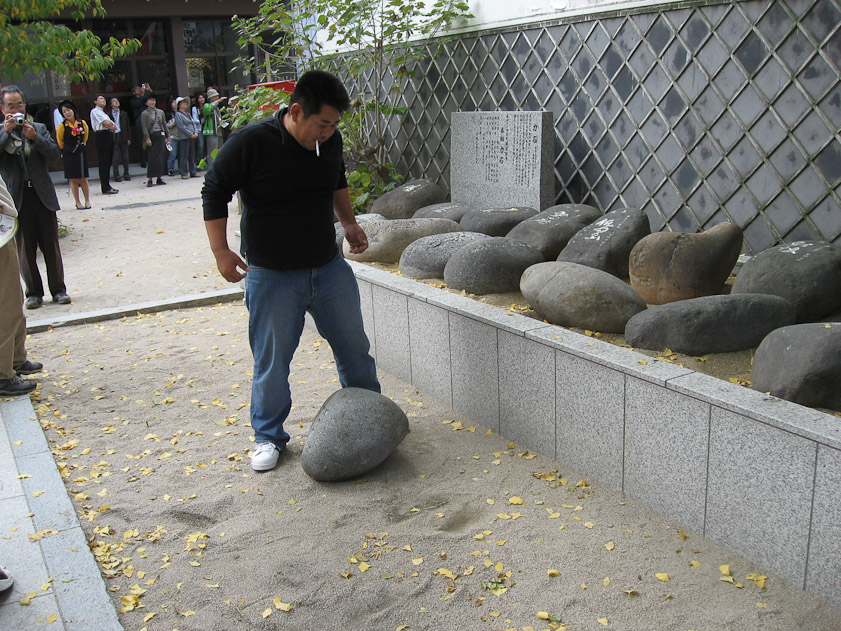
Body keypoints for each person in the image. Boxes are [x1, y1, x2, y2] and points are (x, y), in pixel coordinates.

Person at [202, 70, 380, 472]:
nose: (329, 132)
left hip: (329, 268)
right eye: (323, 123)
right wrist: (221, 251)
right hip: (272, 273)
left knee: (355, 348)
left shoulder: (329, 141)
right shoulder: (251, 143)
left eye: (335, 124)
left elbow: (337, 179)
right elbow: (214, 189)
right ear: (297, 111)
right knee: (272, 361)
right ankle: (268, 436)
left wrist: (349, 222)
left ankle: (372, 417)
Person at [0, 85, 71, 309]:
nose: (16, 109)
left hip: (42, 195)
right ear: (3, 109)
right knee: (25, 248)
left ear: (25, 105)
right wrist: (5, 133)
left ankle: (58, 290)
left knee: (51, 245)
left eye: (19, 104)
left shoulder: (38, 127)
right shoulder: (1, 131)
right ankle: (33, 293)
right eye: (11, 106)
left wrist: (35, 137)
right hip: (18, 197)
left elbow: (54, 154)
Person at [0, 173, 43, 396]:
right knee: (6, 305)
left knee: (14, 298)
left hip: (4, 225)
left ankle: (16, 359)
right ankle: (2, 374)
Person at [55, 100, 91, 210]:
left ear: (73, 110)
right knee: (73, 179)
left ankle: (87, 200)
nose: (67, 113)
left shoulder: (82, 123)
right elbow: (60, 141)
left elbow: (85, 137)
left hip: (80, 152)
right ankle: (77, 202)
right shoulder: (62, 126)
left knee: (83, 178)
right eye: (64, 112)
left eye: (68, 110)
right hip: (69, 153)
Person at [89, 94, 118, 195]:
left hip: (108, 135)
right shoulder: (95, 111)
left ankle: (107, 185)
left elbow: (114, 125)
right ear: (95, 101)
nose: (103, 100)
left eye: (104, 99)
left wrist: (111, 125)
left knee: (108, 161)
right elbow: (107, 124)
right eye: (101, 99)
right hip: (102, 136)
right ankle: (105, 187)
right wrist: (111, 125)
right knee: (104, 162)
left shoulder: (104, 112)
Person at [140, 94, 167, 187]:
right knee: (152, 158)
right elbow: (144, 127)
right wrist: (147, 137)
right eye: (150, 100)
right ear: (146, 102)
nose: (152, 101)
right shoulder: (144, 113)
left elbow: (164, 124)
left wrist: (168, 135)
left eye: (153, 99)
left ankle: (159, 177)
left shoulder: (160, 112)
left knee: (160, 157)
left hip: (160, 134)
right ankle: (150, 178)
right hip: (151, 135)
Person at [174, 97, 199, 179]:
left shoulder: (188, 113)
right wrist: (190, 134)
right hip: (184, 137)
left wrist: (195, 132)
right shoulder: (178, 114)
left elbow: (193, 123)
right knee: (184, 155)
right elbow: (181, 127)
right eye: (183, 103)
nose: (185, 104)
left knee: (192, 155)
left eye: (185, 102)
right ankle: (183, 172)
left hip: (191, 136)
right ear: (179, 105)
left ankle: (193, 171)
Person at [202, 88, 226, 169]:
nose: (217, 97)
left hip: (218, 131)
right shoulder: (207, 106)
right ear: (211, 98)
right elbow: (208, 110)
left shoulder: (217, 108)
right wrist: (218, 101)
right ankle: (211, 168)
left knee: (219, 150)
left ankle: (219, 167)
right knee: (212, 151)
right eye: (216, 96)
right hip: (211, 131)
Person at [129, 84, 152, 168]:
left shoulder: (144, 98)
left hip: (148, 119)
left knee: (150, 138)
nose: (139, 90)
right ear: (134, 92)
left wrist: (148, 90)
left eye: (140, 88)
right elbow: (139, 104)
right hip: (139, 119)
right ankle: (143, 160)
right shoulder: (133, 101)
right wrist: (142, 95)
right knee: (142, 140)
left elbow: (151, 99)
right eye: (137, 89)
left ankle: (150, 159)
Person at [109, 97, 131, 182]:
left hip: (123, 135)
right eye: (114, 101)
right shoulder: (108, 114)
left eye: (117, 101)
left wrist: (129, 137)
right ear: (111, 105)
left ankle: (126, 174)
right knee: (115, 157)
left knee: (125, 156)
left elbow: (127, 126)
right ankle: (116, 175)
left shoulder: (123, 113)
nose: (116, 102)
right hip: (114, 135)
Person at [191, 93, 206, 167]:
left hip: (207, 127)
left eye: (202, 97)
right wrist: (201, 121)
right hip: (199, 128)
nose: (201, 99)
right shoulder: (195, 108)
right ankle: (199, 161)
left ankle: (205, 161)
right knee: (201, 145)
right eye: (199, 98)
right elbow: (194, 120)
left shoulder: (207, 106)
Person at [166, 98, 179, 176]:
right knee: (172, 154)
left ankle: (182, 169)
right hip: (172, 136)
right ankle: (170, 169)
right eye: (173, 102)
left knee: (181, 154)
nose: (175, 104)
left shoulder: (181, 113)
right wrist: (172, 124)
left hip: (181, 136)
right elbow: (165, 125)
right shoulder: (167, 114)